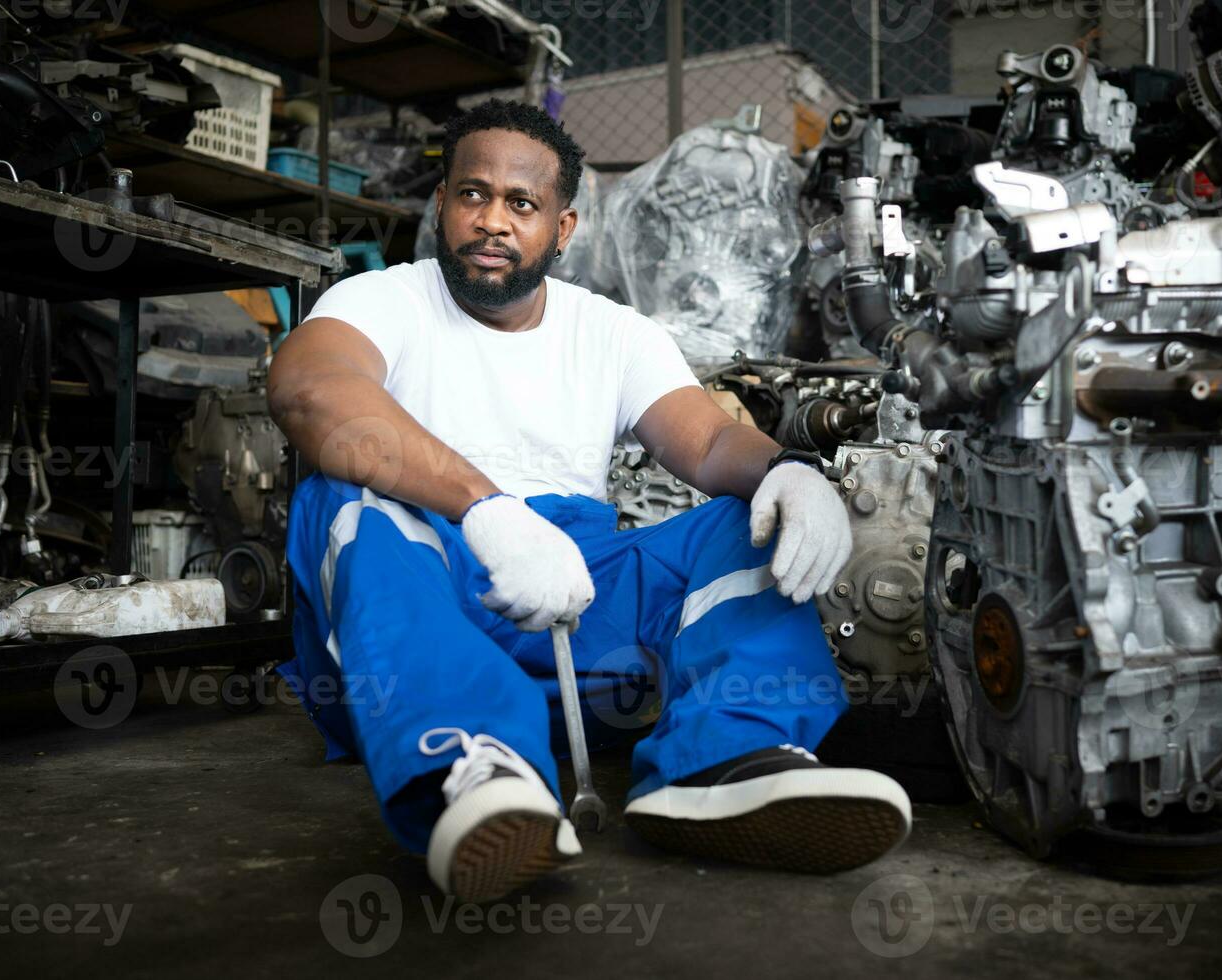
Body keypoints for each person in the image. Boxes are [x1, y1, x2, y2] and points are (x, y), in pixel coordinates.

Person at [266, 99, 911, 902]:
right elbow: (308, 391)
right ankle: (474, 770)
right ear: (440, 205)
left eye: (522, 204)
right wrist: (484, 509)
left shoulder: (613, 332)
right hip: (415, 616)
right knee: (350, 500)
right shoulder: (380, 300)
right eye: (473, 195)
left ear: (563, 229)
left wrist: (787, 471)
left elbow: (707, 444)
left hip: (575, 611)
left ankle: (728, 759)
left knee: (739, 525)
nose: (493, 221)